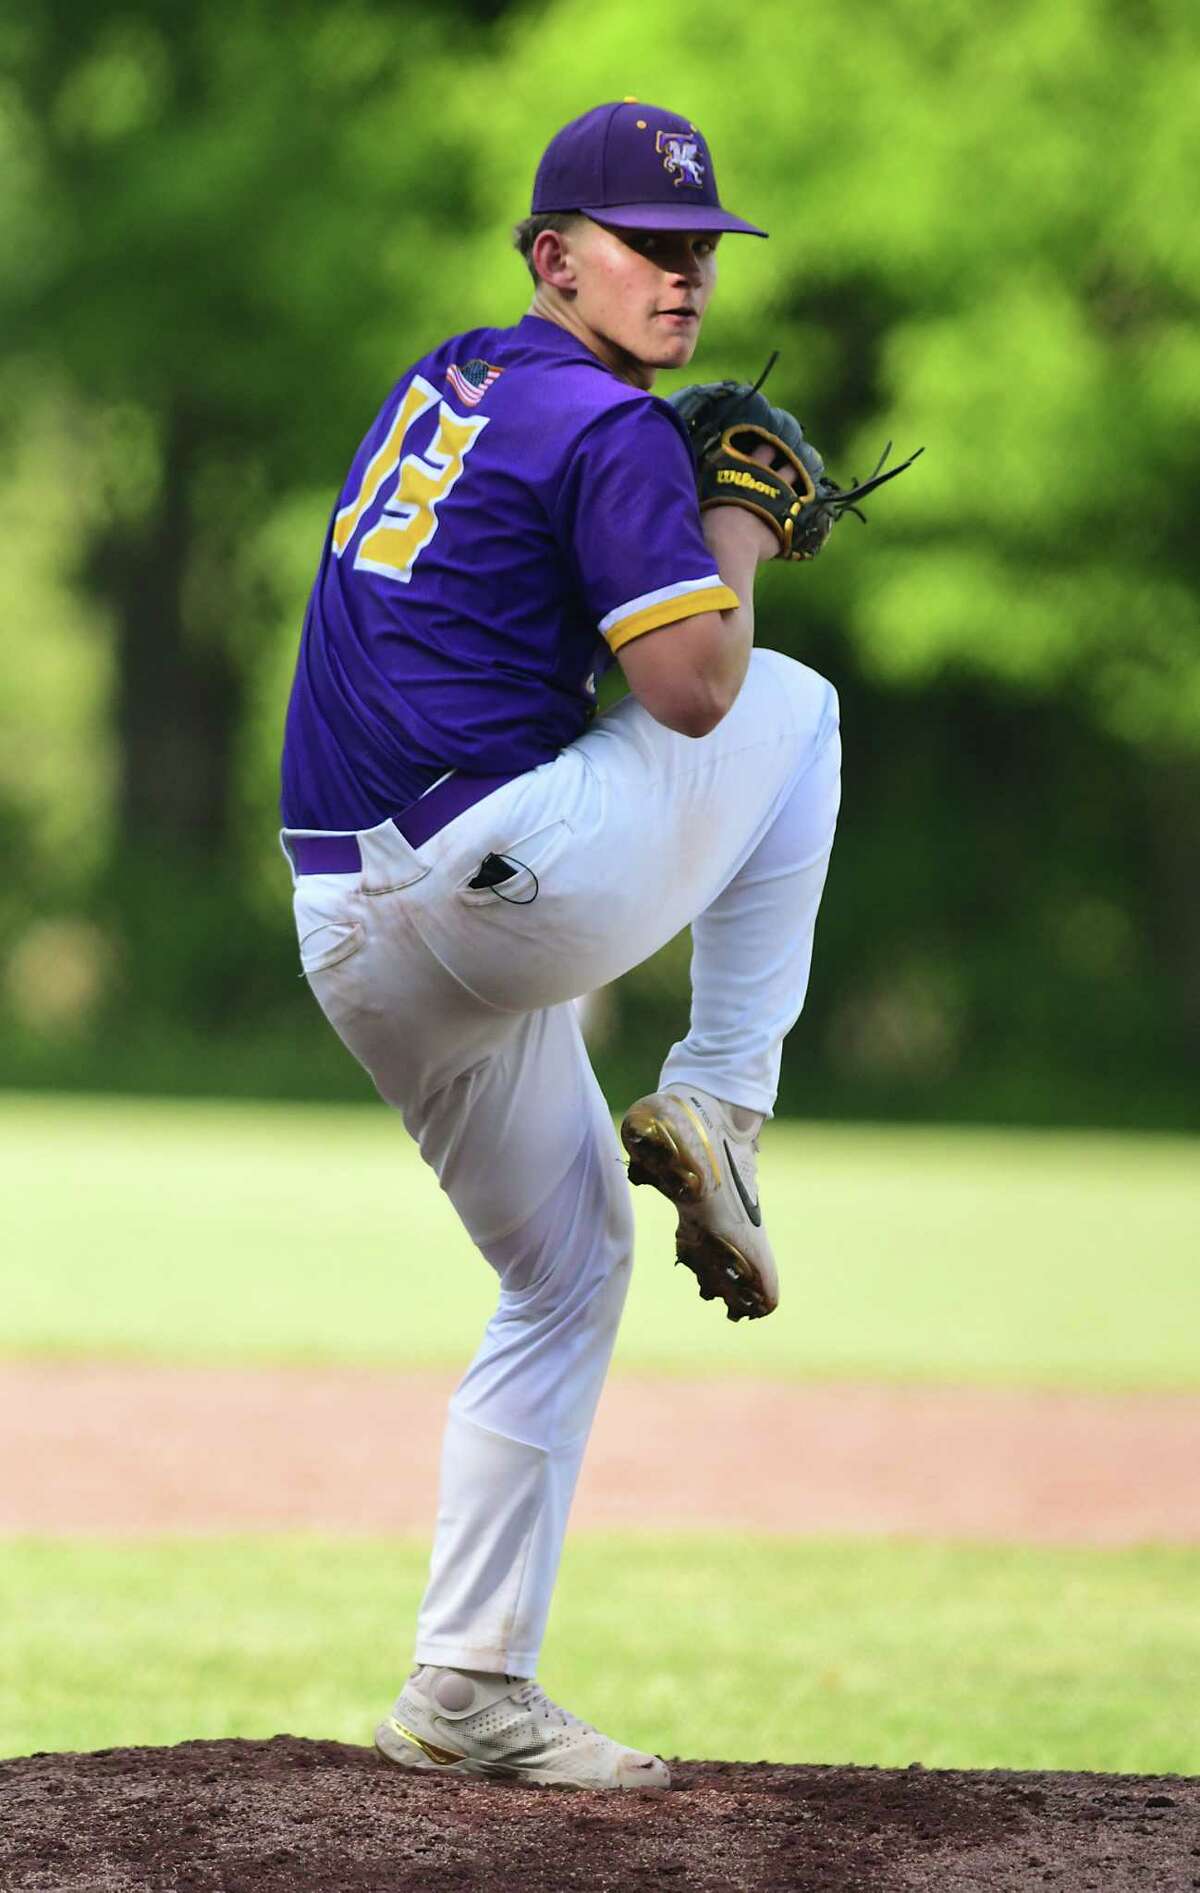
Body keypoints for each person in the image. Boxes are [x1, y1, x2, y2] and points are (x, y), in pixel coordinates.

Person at [279, 99, 841, 1792]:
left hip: (346, 922)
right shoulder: (605, 429)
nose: (682, 277)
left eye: (698, 252)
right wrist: (734, 526)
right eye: (645, 247)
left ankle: (467, 1684)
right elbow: (697, 688)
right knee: (796, 710)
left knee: (572, 1264)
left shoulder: (456, 375)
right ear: (553, 256)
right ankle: (724, 1105)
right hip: (484, 885)